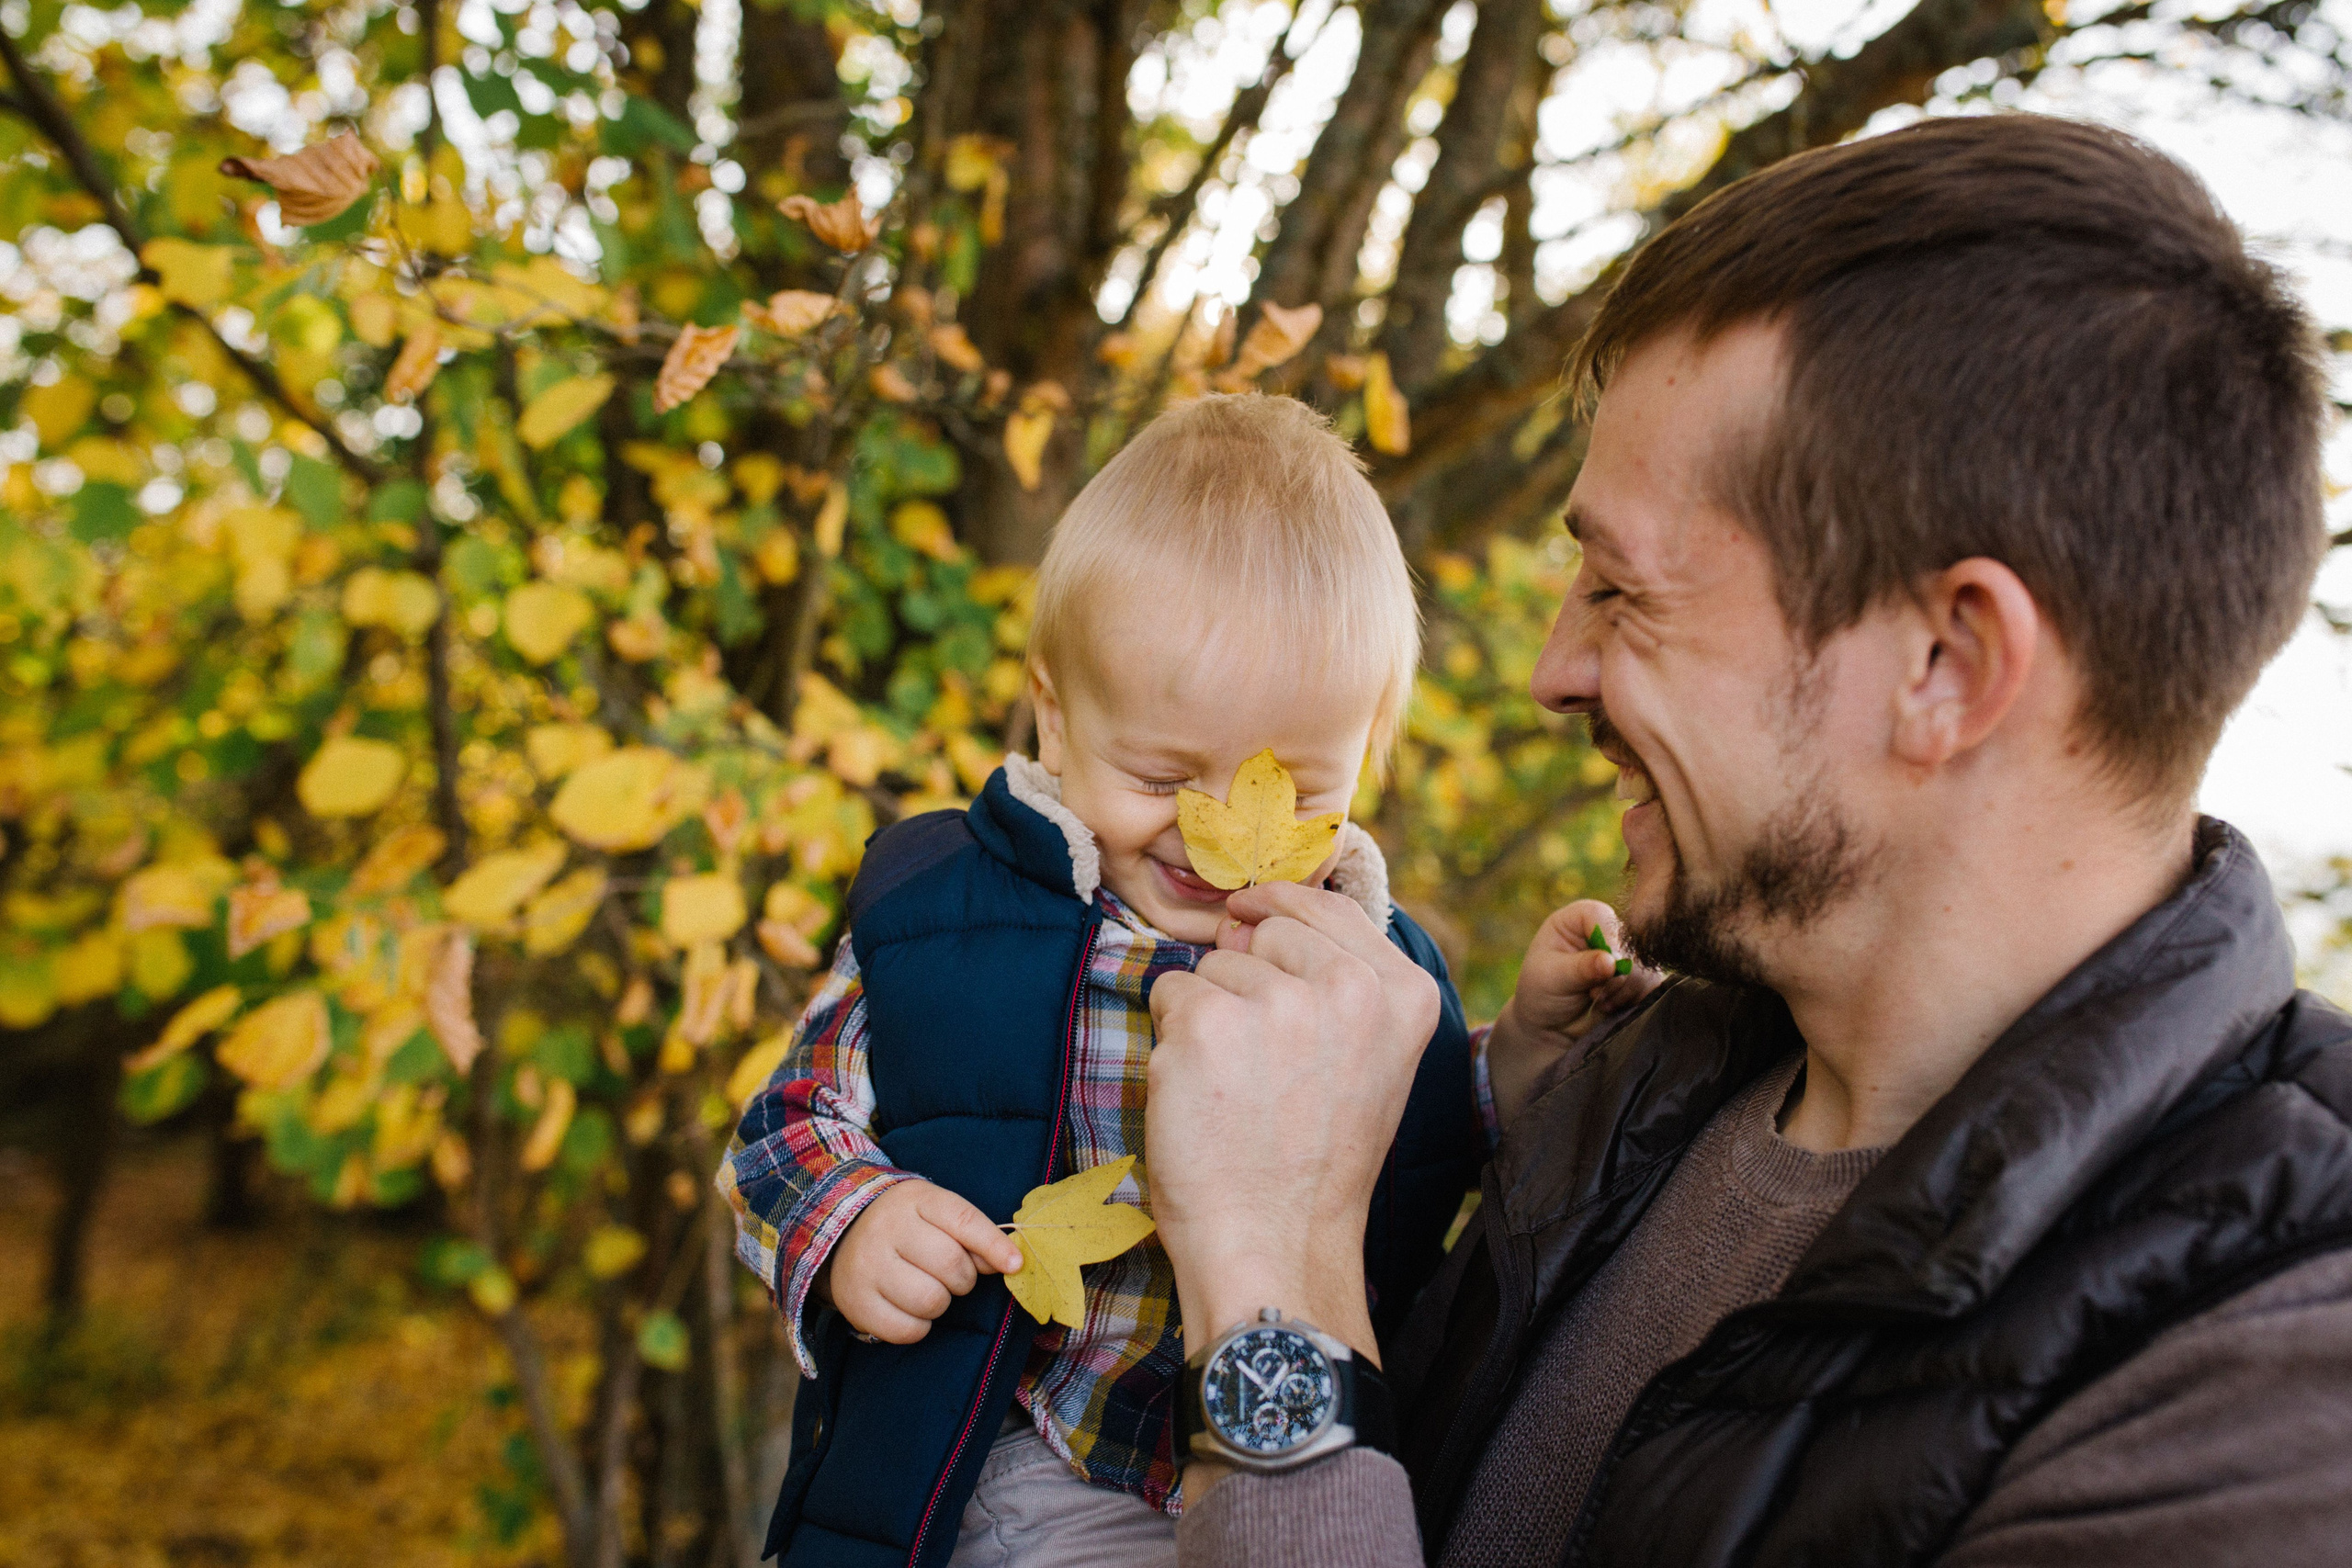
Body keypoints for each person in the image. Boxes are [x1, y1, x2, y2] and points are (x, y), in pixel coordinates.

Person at [1145, 113, 2352, 1567]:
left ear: (1946, 665)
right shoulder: (1626, 1079)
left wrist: (1275, 1283)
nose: (1552, 669)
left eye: (1622, 590)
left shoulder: (2266, 1368)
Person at [717, 394, 1655, 1568]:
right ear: (1056, 719)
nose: (1216, 836)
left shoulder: (1371, 971)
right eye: (1162, 775)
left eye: (1295, 791)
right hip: (999, 1471)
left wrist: (1514, 1053)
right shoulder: (945, 918)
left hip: (1267, 1469)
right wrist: (856, 1218)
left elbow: (1425, 1146)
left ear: (1364, 760)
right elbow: (779, 1133)